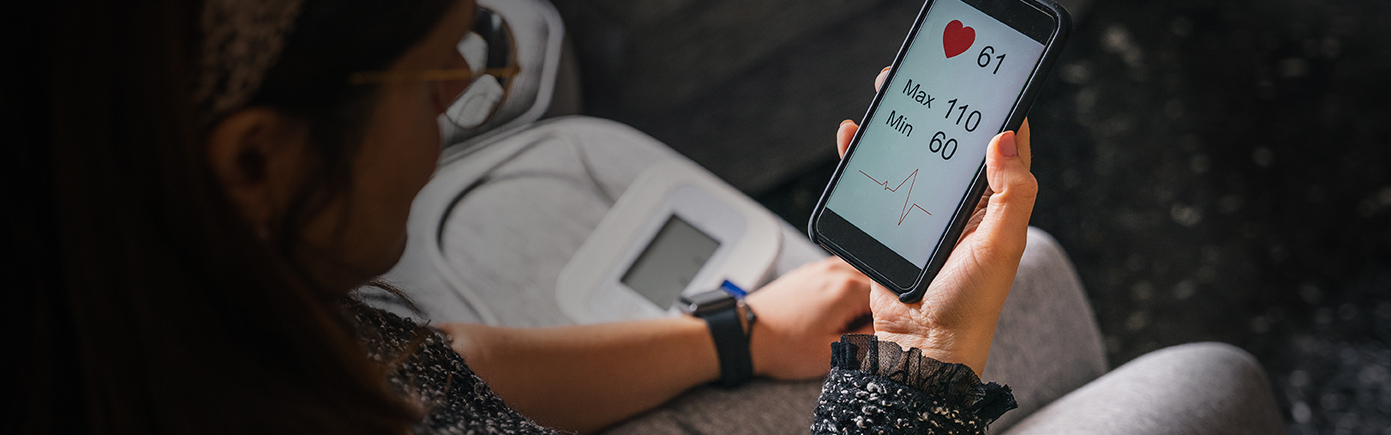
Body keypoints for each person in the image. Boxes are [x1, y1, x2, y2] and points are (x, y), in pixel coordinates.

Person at [9, 0, 1104, 433]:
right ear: (256, 159)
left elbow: (426, 369)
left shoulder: (207, 327)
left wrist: (731, 337)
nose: (454, 112)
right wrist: (918, 358)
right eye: (441, 78)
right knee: (1192, 376)